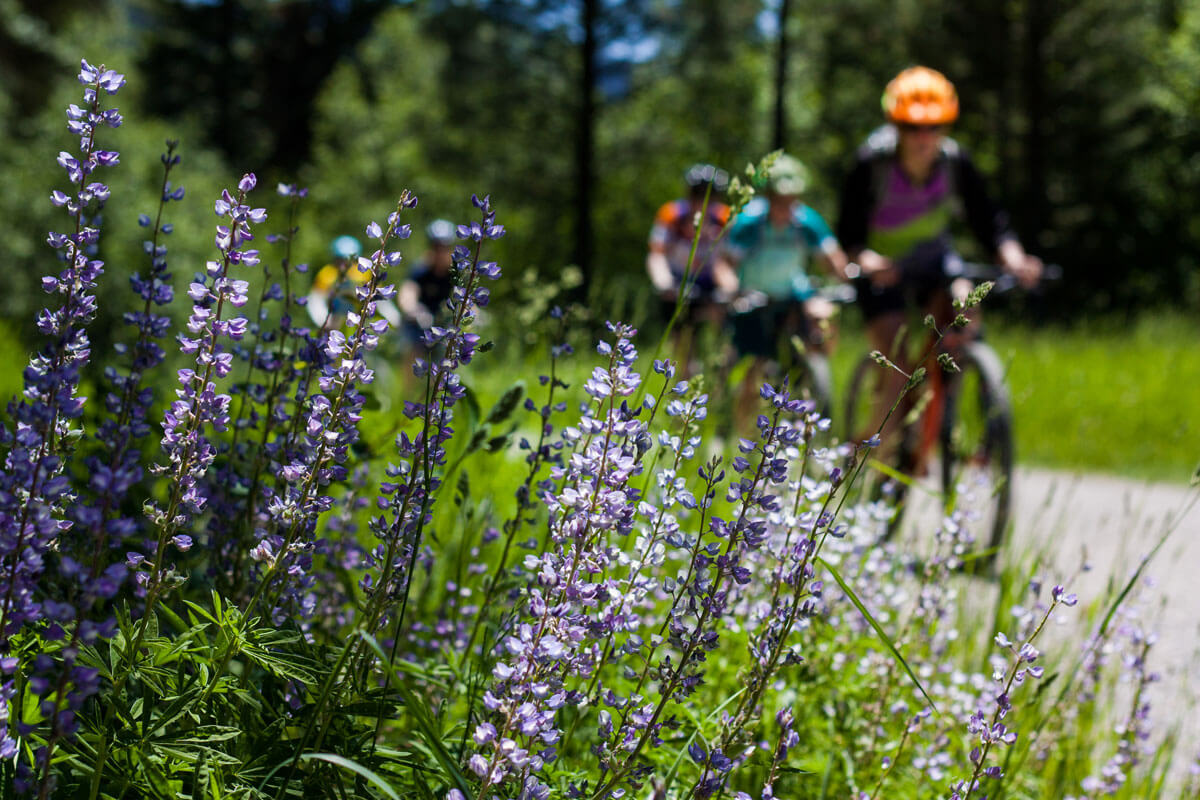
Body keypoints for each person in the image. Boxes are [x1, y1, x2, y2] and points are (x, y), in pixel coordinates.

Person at [836, 66, 1041, 446]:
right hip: (883, 273)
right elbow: (847, 237)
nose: (924, 137)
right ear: (895, 125)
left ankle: (968, 428)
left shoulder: (955, 162)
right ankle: (870, 448)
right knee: (896, 370)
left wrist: (1014, 257)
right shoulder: (871, 163)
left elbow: (989, 221)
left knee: (967, 312)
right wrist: (867, 261)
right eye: (912, 127)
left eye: (935, 126)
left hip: (935, 265)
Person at [718, 153, 850, 418]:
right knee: (751, 370)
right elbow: (724, 265)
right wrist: (733, 289)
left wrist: (844, 278)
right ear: (768, 196)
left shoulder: (806, 221)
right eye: (780, 199)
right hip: (754, 298)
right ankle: (742, 429)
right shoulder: (749, 222)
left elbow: (833, 260)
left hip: (794, 293)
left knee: (823, 313)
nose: (787, 205)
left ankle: (813, 373)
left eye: (792, 199)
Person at [646, 164, 739, 372]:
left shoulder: (725, 217)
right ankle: (683, 387)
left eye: (711, 195)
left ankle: (720, 379)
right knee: (682, 355)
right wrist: (664, 283)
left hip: (711, 283)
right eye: (697, 193)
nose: (703, 200)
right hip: (678, 284)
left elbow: (727, 261)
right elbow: (657, 254)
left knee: (727, 340)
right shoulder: (671, 214)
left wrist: (732, 287)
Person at [307, 235, 400, 330]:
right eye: (340, 260)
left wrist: (393, 318)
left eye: (348, 260)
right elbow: (315, 300)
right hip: (333, 322)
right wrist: (323, 320)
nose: (343, 264)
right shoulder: (327, 273)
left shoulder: (363, 274)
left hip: (359, 321)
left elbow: (379, 299)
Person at [399, 219, 458, 349]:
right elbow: (407, 293)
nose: (440, 252)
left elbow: (465, 296)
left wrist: (474, 314)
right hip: (420, 323)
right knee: (413, 348)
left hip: (446, 324)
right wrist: (414, 310)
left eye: (444, 247)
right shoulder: (421, 269)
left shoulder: (455, 273)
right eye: (436, 247)